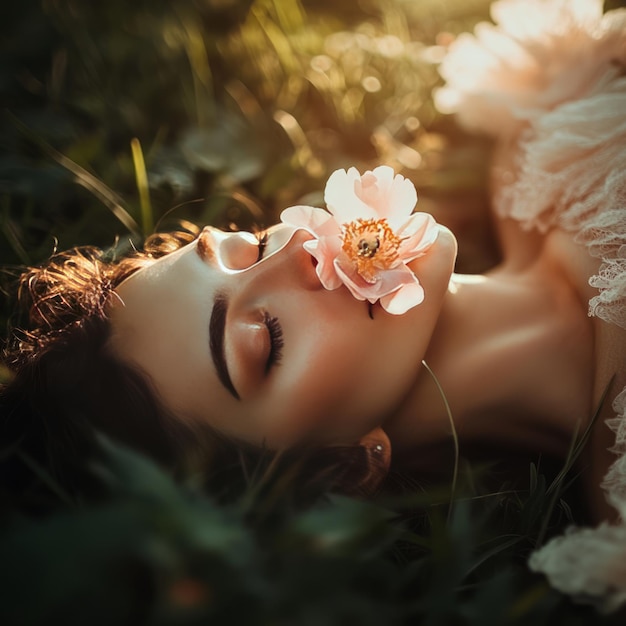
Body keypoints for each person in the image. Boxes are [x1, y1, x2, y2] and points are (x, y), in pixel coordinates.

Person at [0, 0, 624, 611]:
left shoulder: (549, 126)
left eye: (249, 246)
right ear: (348, 469)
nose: (301, 245)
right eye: (267, 338)